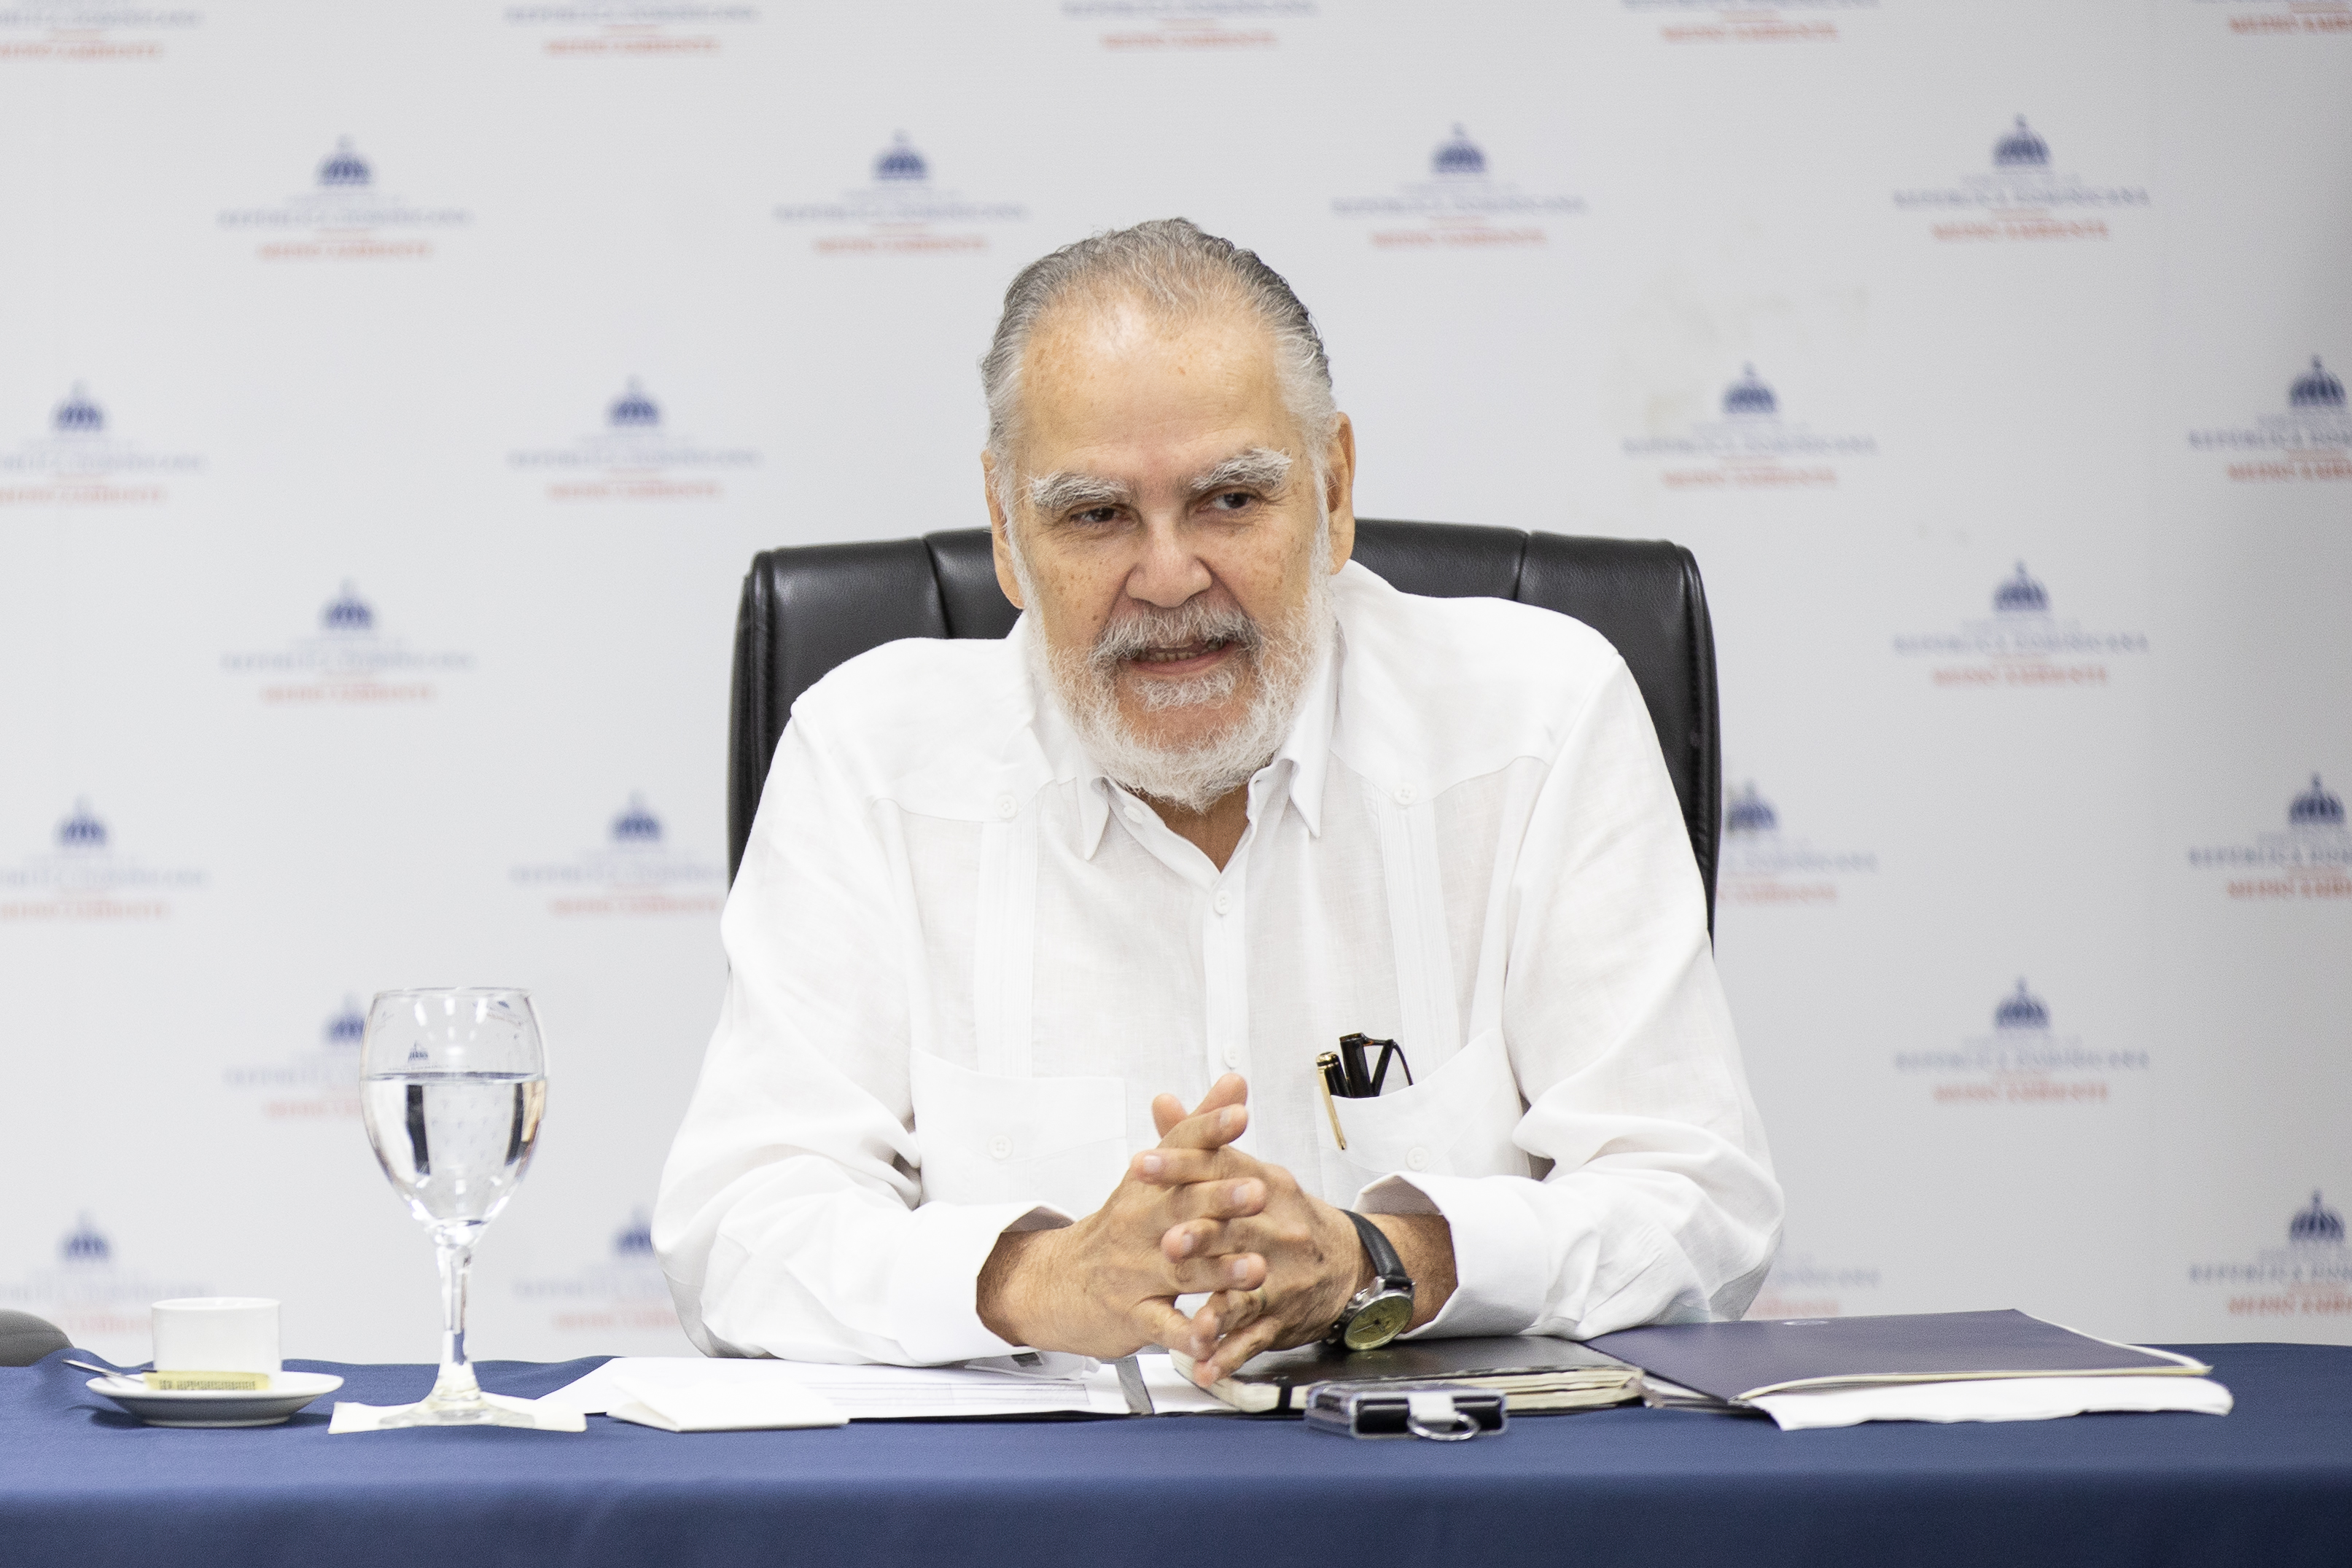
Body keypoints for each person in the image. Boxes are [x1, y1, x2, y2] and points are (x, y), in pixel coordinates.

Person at [655, 219, 1780, 1384]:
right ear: (1004, 528)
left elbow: (1695, 1200)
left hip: (1432, 1477)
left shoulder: (1537, 719)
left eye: (1230, 500)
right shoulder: (868, 755)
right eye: (1095, 515)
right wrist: (1046, 1280)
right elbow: (737, 1227)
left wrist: (1380, 1262)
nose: (1168, 577)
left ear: (1333, 490)